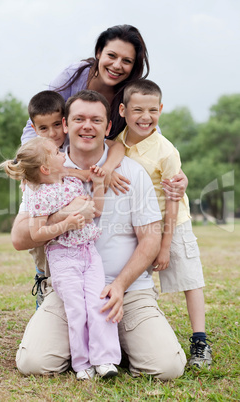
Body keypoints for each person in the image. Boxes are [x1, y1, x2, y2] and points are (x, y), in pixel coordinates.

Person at [11, 90, 187, 380]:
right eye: (79, 119)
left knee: (167, 368)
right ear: (66, 125)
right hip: (70, 289)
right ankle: (88, 342)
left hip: (127, 291)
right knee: (34, 363)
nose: (87, 126)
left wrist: (119, 285)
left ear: (108, 128)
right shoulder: (45, 174)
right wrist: (68, 214)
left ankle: (115, 341)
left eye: (96, 120)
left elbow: (151, 240)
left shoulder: (132, 171)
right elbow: (19, 238)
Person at [0, 136, 121, 380]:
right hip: (63, 258)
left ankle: (104, 359)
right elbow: (37, 233)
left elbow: (96, 211)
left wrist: (96, 184)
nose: (61, 151)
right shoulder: (38, 195)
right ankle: (82, 363)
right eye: (55, 151)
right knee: (76, 311)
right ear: (45, 168)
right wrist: (66, 223)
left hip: (89, 253)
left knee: (97, 304)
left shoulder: (72, 181)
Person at [21, 24, 188, 199]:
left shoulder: (130, 94)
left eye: (127, 61)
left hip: (106, 166)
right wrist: (29, 165)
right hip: (64, 161)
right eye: (112, 55)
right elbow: (37, 121)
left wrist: (177, 172)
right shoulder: (74, 75)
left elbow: (150, 134)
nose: (117, 65)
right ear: (99, 52)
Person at [116, 79, 212, 368]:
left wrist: (166, 245)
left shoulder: (166, 151)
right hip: (140, 226)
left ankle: (200, 341)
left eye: (152, 110)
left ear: (160, 109)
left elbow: (172, 199)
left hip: (173, 223)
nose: (145, 117)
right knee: (135, 280)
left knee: (189, 280)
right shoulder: (119, 141)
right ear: (122, 110)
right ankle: (134, 336)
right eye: (137, 110)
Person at [26, 89, 130, 308]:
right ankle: (42, 277)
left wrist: (108, 169)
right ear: (34, 130)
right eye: (43, 129)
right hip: (49, 238)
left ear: (62, 123)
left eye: (56, 125)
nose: (52, 134)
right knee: (41, 245)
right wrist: (81, 175)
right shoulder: (44, 154)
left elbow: (118, 145)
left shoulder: (65, 149)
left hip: (80, 250)